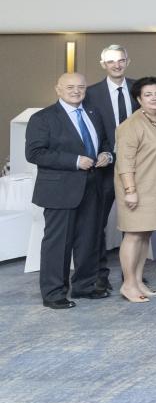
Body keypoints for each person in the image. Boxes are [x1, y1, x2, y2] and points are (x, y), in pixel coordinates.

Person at [26, 72, 112, 309]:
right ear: (58, 89)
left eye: (81, 87)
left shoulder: (94, 113)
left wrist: (107, 154)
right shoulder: (42, 118)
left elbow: (104, 142)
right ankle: (54, 293)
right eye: (70, 87)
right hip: (60, 190)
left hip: (93, 187)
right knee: (58, 244)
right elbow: (35, 153)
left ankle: (85, 286)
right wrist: (74, 161)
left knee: (89, 240)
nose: (76, 91)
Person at [114, 76, 156, 303]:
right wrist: (130, 190)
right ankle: (128, 284)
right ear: (139, 99)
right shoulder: (131, 125)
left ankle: (138, 280)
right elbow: (124, 161)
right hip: (137, 188)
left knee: (145, 235)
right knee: (133, 235)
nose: (154, 98)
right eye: (148, 95)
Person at [83, 44, 136, 293]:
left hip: (136, 167)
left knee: (135, 225)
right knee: (97, 224)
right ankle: (99, 275)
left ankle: (132, 275)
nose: (117, 65)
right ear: (103, 64)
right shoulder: (90, 93)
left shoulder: (139, 89)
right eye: (111, 61)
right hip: (104, 167)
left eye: (121, 60)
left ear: (127, 62)